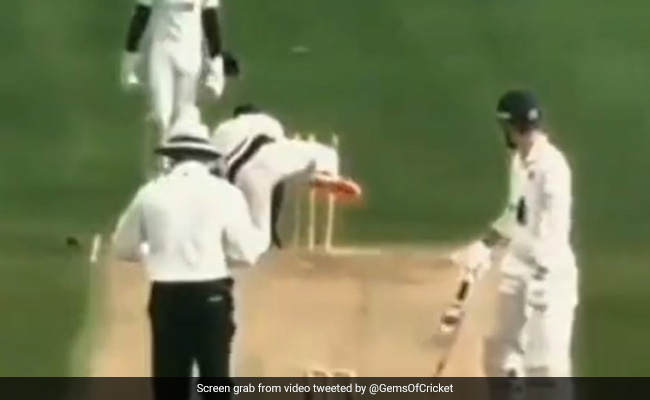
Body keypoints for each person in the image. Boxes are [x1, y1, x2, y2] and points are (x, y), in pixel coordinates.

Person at [112, 106, 268, 400]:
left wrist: (153, 251)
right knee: (215, 381)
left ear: (171, 157)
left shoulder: (151, 193)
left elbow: (122, 246)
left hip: (167, 296)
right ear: (207, 157)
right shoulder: (226, 193)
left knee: (170, 384)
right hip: (212, 294)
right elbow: (246, 254)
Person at [451, 90, 578, 384]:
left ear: (509, 126)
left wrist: (542, 278)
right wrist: (485, 245)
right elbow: (514, 213)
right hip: (518, 269)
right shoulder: (520, 162)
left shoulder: (553, 167)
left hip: (549, 280)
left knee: (545, 367)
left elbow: (555, 228)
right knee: (499, 354)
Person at [210, 104, 362, 249]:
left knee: (257, 239)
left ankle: (318, 177)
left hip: (236, 175)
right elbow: (278, 161)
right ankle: (324, 175)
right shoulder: (267, 121)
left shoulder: (223, 128)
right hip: (266, 159)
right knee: (323, 155)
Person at [120, 0, 239, 144]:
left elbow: (210, 21)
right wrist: (130, 58)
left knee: (183, 116)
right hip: (162, 53)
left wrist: (216, 65)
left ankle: (177, 151)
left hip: (189, 54)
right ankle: (162, 152)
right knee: (161, 116)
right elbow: (141, 14)